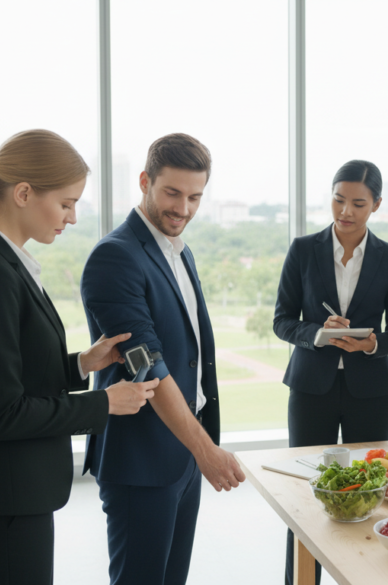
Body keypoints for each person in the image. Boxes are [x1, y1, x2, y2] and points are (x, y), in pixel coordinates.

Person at [0, 129, 157, 585]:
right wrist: (105, 403)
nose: (72, 218)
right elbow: (2, 414)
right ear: (23, 193)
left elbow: (10, 375)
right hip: (0, 504)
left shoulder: (2, 263)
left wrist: (81, 364)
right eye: (66, 203)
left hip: (9, 500)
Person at [80, 133, 246, 585]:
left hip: (181, 452)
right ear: (144, 182)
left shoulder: (178, 250)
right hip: (141, 459)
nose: (184, 209)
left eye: (195, 197)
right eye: (172, 192)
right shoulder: (115, 257)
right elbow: (147, 365)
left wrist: (196, 449)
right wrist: (205, 449)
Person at [273, 160, 388, 585]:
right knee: (307, 490)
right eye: (338, 199)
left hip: (369, 389)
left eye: (357, 203)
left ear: (376, 205)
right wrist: (317, 333)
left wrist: (371, 344)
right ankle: (300, 578)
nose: (345, 211)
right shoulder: (303, 249)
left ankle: (365, 576)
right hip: (311, 387)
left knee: (372, 491)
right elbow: (282, 320)